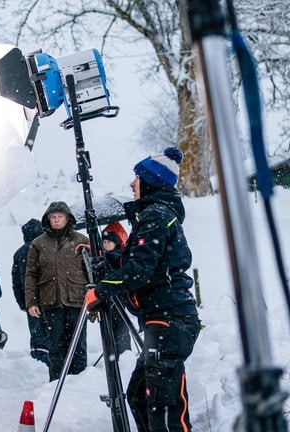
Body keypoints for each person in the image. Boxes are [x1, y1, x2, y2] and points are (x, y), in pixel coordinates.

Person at [86, 147, 201, 432]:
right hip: (161, 319)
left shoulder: (156, 216)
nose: (132, 183)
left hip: (170, 320)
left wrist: (100, 290)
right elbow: (142, 263)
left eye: (136, 177)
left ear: (150, 182)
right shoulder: (153, 216)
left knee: (162, 405)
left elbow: (138, 273)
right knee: (139, 396)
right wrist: (108, 259)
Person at [25, 202, 90, 382]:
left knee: (78, 345)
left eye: (59, 216)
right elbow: (31, 274)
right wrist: (31, 301)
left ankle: (80, 383)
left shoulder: (81, 240)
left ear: (67, 218)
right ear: (47, 220)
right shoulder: (38, 244)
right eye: (53, 217)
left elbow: (91, 270)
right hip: (50, 301)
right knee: (56, 346)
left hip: (77, 299)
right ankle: (56, 384)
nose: (56, 220)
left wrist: (95, 297)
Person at [11, 218, 50, 365]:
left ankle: (38, 358)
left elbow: (16, 281)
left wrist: (22, 303)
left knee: (36, 330)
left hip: (30, 299)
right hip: (49, 296)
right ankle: (53, 360)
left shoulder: (19, 253)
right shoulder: (45, 248)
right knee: (51, 329)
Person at [101, 222, 132, 354]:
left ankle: (123, 353)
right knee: (109, 326)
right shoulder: (102, 257)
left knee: (121, 326)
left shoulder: (119, 258)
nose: (106, 244)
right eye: (104, 242)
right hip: (108, 297)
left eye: (109, 242)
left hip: (119, 297)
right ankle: (113, 352)